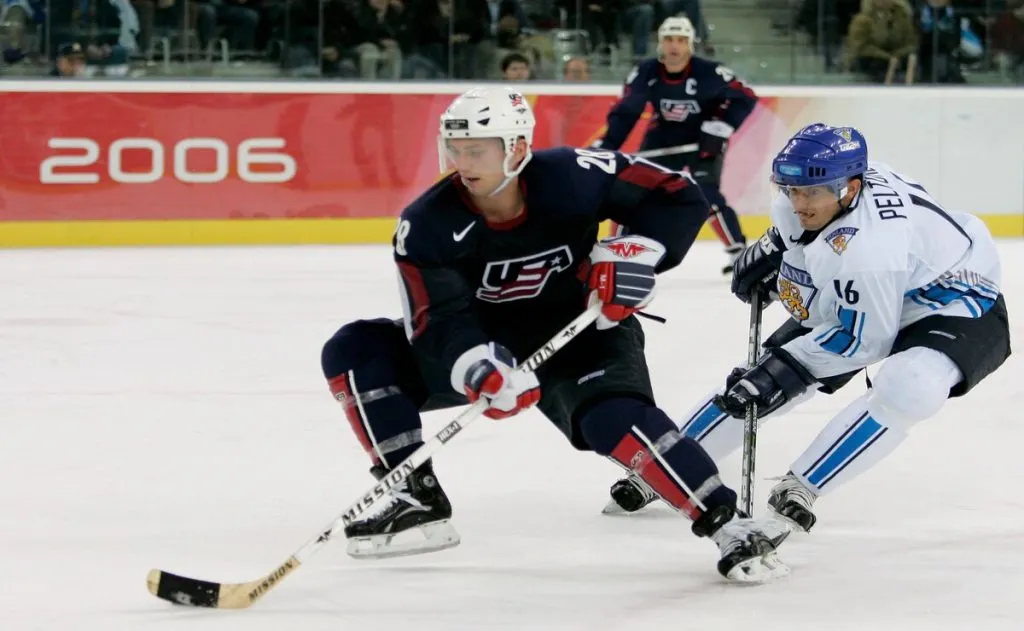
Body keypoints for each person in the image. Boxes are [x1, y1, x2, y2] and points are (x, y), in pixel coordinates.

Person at [320, 86, 790, 583]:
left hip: (582, 329)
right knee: (355, 351)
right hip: (489, 344)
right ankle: (414, 495)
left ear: (518, 149)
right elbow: (436, 320)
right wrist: (475, 365)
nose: (462, 161)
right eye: (454, 149)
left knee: (613, 421)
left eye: (476, 149)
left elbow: (676, 194)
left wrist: (638, 251)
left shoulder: (573, 175)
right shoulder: (426, 224)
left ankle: (730, 526)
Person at [603, 123, 1010, 543]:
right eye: (790, 189)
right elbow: (807, 270)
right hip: (884, 281)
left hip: (956, 298)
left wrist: (785, 369)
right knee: (754, 378)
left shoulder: (871, 250)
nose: (798, 202)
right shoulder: (816, 198)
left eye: (811, 193)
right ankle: (672, 464)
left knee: (910, 387)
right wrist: (777, 253)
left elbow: (864, 340)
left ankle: (804, 486)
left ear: (850, 189)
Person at [592, 16, 758, 275]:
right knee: (632, 189)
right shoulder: (646, 71)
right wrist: (607, 144)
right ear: (660, 43)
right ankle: (617, 248)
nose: (674, 46)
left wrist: (720, 128)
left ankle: (738, 252)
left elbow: (745, 96)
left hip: (702, 141)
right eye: (669, 39)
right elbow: (627, 110)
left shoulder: (709, 72)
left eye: (681, 40)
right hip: (663, 137)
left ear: (690, 44)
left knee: (707, 194)